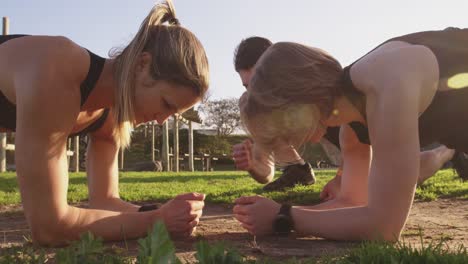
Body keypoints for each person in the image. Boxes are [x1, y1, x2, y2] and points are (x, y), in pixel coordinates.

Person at [0, 0, 208, 246]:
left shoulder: (110, 119)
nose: (162, 120)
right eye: (166, 104)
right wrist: (156, 221)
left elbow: (105, 202)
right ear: (143, 64)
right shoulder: (59, 69)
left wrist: (159, 213)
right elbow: (50, 227)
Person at [233, 28, 468, 241]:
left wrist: (284, 217)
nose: (292, 139)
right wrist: (277, 213)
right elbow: (352, 201)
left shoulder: (385, 82)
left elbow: (384, 227)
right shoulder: (351, 126)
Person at [232, 36, 317, 191]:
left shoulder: (315, 85)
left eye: (259, 83)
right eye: (248, 86)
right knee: (245, 101)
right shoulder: (256, 107)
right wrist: (252, 164)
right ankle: (296, 169)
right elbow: (266, 173)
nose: (254, 94)